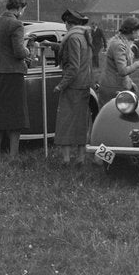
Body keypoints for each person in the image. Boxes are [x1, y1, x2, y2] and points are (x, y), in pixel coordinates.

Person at [0, 0, 34, 159]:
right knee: (15, 115)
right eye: (23, 9)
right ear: (19, 7)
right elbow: (18, 52)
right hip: (13, 73)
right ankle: (13, 154)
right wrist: (28, 49)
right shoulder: (16, 24)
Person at [54, 9, 93, 166]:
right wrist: (53, 45)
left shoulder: (72, 38)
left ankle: (65, 159)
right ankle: (81, 158)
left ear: (69, 23)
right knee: (80, 122)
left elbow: (73, 66)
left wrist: (60, 85)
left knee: (65, 122)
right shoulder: (84, 36)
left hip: (72, 86)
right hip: (84, 84)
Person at [99, 17, 139, 105]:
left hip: (115, 86)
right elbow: (122, 71)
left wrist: (129, 82)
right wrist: (138, 63)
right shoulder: (119, 45)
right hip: (113, 89)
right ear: (133, 31)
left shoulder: (121, 42)